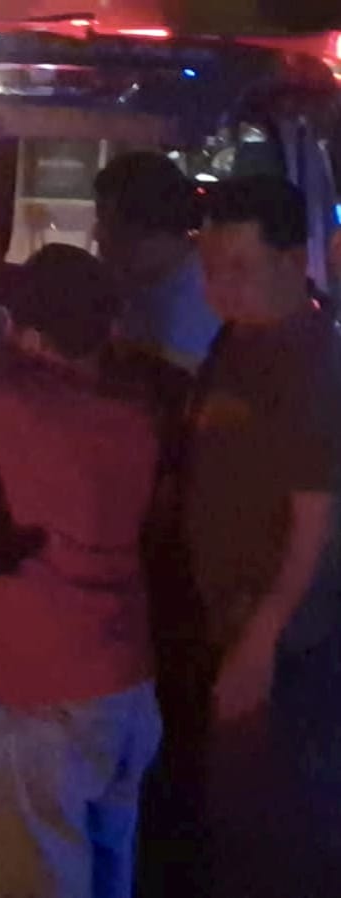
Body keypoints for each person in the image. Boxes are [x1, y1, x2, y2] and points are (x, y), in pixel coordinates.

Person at [0, 245, 162, 898]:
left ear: (29, 336)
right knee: (109, 873)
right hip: (127, 687)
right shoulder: (134, 422)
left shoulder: (6, 407)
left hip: (44, 694)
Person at [184, 175, 341, 896]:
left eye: (240, 268)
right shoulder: (238, 341)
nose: (221, 286)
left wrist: (262, 639)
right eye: (211, 269)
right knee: (235, 827)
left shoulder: (310, 361)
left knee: (275, 838)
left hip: (287, 646)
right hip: (236, 626)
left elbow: (316, 519)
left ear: (292, 260)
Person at [95, 152, 219, 371]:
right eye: (100, 220)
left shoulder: (199, 315)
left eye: (112, 227)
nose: (98, 235)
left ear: (156, 231)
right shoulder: (131, 285)